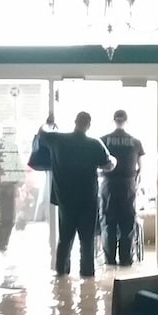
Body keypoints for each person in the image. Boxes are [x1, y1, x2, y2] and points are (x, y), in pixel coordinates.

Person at [36, 112, 117, 278]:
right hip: (88, 200)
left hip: (65, 200)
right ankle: (87, 278)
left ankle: (61, 276)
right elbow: (108, 165)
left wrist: (48, 123)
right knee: (87, 242)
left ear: (75, 122)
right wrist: (114, 161)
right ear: (88, 125)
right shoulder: (95, 144)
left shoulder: (58, 140)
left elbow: (41, 133)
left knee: (65, 240)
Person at [99, 109, 145, 266]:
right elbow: (141, 169)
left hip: (109, 185)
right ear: (126, 121)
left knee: (108, 223)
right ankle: (126, 260)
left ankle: (110, 261)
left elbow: (98, 167)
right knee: (127, 223)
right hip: (128, 185)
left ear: (114, 121)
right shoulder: (135, 142)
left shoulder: (103, 140)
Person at [0, 133, 23, 252]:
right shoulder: (5, 151)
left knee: (8, 217)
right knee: (8, 217)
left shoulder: (1, 151)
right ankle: (3, 243)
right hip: (5, 189)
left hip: (5, 188)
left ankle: (3, 243)